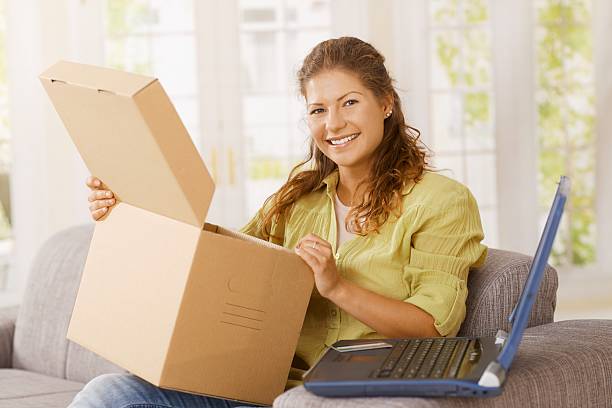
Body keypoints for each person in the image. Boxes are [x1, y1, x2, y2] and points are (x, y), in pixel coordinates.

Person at [71, 36, 487, 408]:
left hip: (347, 393)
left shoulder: (441, 202)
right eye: (318, 109)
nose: (334, 123)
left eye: (350, 102)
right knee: (107, 394)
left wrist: (336, 286)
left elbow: (433, 329)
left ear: (385, 103)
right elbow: (218, 260)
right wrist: (127, 209)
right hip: (259, 388)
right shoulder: (298, 199)